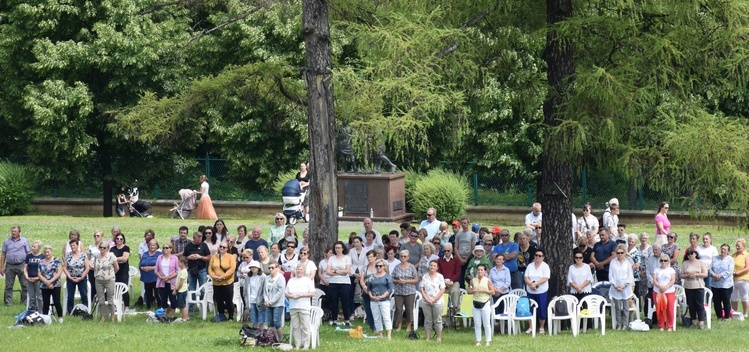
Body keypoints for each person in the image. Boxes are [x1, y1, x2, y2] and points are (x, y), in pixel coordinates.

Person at [285, 263, 316, 349]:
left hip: (304, 306)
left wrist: (302, 295)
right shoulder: (291, 281)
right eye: (297, 269)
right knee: (295, 326)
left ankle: (306, 344)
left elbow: (313, 293)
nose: (299, 271)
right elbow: (286, 293)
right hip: (293, 306)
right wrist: (292, 296)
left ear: (304, 271)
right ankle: (298, 344)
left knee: (305, 326)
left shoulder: (307, 280)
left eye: (301, 269)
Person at [2, 226, 30, 306]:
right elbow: (3, 254)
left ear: (19, 232)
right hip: (10, 265)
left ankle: (24, 302)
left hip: (22, 264)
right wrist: (1, 267)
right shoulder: (7, 241)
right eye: (12, 231)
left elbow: (28, 254)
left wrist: (28, 266)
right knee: (8, 286)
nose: (13, 233)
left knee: (25, 284)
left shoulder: (24, 241)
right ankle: (8, 303)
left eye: (15, 231)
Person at [326, 241, 353, 326]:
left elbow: (347, 271)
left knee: (345, 301)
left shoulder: (347, 258)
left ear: (343, 248)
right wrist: (339, 272)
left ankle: (347, 320)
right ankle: (334, 320)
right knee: (334, 302)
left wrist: (336, 271)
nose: (337, 249)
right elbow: (328, 272)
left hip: (345, 282)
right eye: (336, 248)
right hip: (333, 283)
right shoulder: (331, 258)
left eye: (339, 248)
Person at [209, 241, 237, 320]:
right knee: (219, 300)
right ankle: (221, 315)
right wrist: (214, 276)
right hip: (216, 282)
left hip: (227, 282)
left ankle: (231, 316)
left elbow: (232, 269)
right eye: (220, 246)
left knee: (228, 300)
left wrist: (223, 277)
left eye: (224, 247)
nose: (221, 248)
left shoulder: (230, 257)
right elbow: (210, 268)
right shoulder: (214, 257)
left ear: (227, 249)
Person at [468, 264, 495, 346]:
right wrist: (473, 291)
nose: (480, 271)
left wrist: (484, 290)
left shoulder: (487, 280)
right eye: (478, 269)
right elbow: (469, 290)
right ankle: (478, 341)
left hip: (485, 303)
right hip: (476, 302)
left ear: (485, 271)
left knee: (486, 323)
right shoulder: (473, 280)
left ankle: (488, 341)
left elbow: (493, 291)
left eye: (481, 270)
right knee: (477, 323)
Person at [681, 248, 708, 329]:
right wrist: (688, 275)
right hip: (688, 286)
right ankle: (693, 321)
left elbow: (705, 274)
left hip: (699, 286)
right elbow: (681, 275)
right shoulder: (685, 263)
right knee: (691, 305)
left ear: (695, 254)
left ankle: (701, 322)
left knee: (699, 305)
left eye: (691, 254)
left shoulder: (701, 262)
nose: (690, 256)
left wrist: (697, 275)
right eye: (688, 254)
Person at [392, 249, 418, 331]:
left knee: (409, 309)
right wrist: (398, 281)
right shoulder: (396, 267)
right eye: (401, 256)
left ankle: (408, 326)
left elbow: (416, 279)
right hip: (398, 291)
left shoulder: (412, 267)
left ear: (408, 257)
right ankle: (399, 325)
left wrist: (407, 281)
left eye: (405, 256)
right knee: (398, 309)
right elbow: (392, 279)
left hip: (409, 291)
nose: (403, 258)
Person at [525, 249, 550, 334]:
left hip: (541, 291)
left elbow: (545, 278)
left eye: (539, 256)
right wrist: (530, 284)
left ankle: (541, 327)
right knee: (530, 308)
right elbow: (526, 277)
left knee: (541, 309)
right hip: (530, 290)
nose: (537, 257)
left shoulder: (545, 266)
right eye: (536, 255)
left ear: (543, 257)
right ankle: (531, 327)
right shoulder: (530, 266)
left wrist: (535, 283)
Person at [609, 244, 634, 330]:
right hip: (615, 288)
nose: (620, 254)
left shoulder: (627, 263)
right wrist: (615, 285)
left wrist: (624, 285)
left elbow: (630, 276)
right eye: (618, 253)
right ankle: (619, 324)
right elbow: (611, 275)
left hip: (625, 288)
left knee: (626, 307)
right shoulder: (613, 262)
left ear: (625, 253)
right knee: (617, 308)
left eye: (621, 253)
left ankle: (625, 324)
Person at [367, 259, 394, 339]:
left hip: (384, 300)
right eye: (377, 266)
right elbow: (368, 288)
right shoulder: (371, 276)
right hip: (373, 300)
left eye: (380, 266)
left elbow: (390, 289)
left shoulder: (387, 276)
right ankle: (380, 334)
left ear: (384, 267)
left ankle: (389, 335)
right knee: (376, 317)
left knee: (386, 317)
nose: (378, 267)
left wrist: (383, 296)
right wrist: (371, 296)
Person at [419, 260, 445, 342]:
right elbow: (421, 288)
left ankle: (438, 337)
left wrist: (434, 299)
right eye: (431, 265)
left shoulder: (440, 277)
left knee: (437, 319)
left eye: (434, 266)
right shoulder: (425, 276)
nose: (432, 267)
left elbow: (442, 289)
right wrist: (426, 298)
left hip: (438, 302)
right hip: (426, 301)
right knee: (427, 319)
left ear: (437, 267)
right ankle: (427, 337)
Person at [184, 231, 211, 307]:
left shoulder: (204, 245)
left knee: (203, 289)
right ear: (193, 238)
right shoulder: (188, 246)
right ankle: (191, 307)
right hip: (192, 270)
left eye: (201, 238)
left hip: (202, 269)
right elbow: (183, 257)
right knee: (192, 289)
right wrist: (188, 258)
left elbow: (209, 257)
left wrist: (200, 257)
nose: (199, 240)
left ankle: (204, 306)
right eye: (198, 238)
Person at [63, 239, 90, 314]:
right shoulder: (68, 255)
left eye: (74, 245)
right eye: (71, 246)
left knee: (84, 295)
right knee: (70, 296)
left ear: (77, 246)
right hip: (71, 277)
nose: (72, 247)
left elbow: (87, 267)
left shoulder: (83, 255)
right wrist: (69, 277)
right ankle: (70, 311)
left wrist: (82, 277)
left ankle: (85, 311)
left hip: (81, 277)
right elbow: (65, 267)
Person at [38, 245, 63, 320]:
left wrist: (51, 281)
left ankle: (60, 317)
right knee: (46, 303)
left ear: (51, 252)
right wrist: (46, 282)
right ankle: (45, 318)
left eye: (48, 252)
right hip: (44, 285)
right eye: (45, 252)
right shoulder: (41, 262)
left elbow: (59, 272)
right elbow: (39, 274)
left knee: (57, 302)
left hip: (55, 284)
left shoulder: (57, 260)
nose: (47, 254)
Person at [653, 253, 676, 331]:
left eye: (665, 261)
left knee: (670, 308)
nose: (663, 262)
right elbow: (655, 280)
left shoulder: (671, 270)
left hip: (669, 291)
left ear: (668, 261)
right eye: (662, 260)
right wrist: (660, 287)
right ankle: (661, 325)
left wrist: (666, 287)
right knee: (660, 308)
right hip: (658, 291)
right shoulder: (656, 269)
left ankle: (670, 325)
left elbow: (673, 280)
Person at [710, 244, 734, 321]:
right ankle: (719, 316)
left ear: (728, 251)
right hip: (715, 284)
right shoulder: (715, 258)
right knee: (716, 301)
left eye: (725, 249)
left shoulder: (730, 259)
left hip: (726, 284)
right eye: (722, 249)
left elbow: (729, 271)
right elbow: (710, 268)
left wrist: (720, 276)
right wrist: (714, 275)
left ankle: (727, 317)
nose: (723, 251)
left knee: (726, 300)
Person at [155, 242, 179, 317]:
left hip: (172, 282)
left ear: (171, 249)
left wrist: (169, 277)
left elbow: (177, 271)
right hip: (162, 281)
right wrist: (161, 277)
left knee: (173, 299)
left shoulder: (174, 258)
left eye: (167, 248)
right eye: (164, 248)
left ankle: (172, 315)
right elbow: (156, 270)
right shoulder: (160, 257)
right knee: (163, 299)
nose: (165, 249)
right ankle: (164, 315)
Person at [264, 263, 286, 341]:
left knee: (277, 323)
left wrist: (271, 302)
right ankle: (274, 340)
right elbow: (265, 291)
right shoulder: (267, 278)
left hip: (278, 304)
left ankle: (280, 340)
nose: (270, 269)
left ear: (277, 268)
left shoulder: (281, 278)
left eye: (272, 268)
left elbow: (280, 292)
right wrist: (266, 300)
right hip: (268, 303)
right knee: (271, 324)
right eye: (269, 268)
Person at [454, 217, 478, 289]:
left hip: (469, 258)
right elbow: (455, 247)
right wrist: (460, 259)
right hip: (460, 258)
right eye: (462, 223)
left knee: (469, 277)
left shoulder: (473, 235)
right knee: (460, 278)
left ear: (468, 224)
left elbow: (473, 248)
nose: (463, 224)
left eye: (465, 223)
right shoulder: (458, 235)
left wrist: (466, 259)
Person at [438, 243, 461, 311]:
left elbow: (458, 272)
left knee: (455, 292)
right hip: (443, 282)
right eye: (444, 251)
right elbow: (439, 273)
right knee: (443, 297)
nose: (446, 252)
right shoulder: (440, 260)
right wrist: (444, 282)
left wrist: (451, 281)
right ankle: (444, 318)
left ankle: (456, 313)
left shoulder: (456, 260)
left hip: (454, 281)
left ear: (451, 250)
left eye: (448, 251)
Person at [139, 240, 161, 309]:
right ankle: (149, 307)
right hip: (146, 276)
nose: (152, 246)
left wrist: (151, 268)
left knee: (157, 293)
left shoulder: (159, 254)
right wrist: (142, 268)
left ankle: (160, 307)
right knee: (148, 292)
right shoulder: (145, 254)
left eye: (154, 245)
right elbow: (140, 263)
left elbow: (160, 265)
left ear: (157, 246)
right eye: (151, 245)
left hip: (155, 276)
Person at [111, 232, 131, 310]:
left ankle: (127, 306)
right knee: (114, 288)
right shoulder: (112, 249)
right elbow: (111, 260)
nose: (119, 240)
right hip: (115, 271)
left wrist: (115, 259)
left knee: (124, 288)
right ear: (115, 240)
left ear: (123, 240)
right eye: (117, 238)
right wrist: (119, 259)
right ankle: (115, 305)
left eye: (121, 239)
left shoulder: (126, 248)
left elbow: (125, 259)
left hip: (123, 271)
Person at [359, 250, 377, 331]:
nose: (369, 259)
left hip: (376, 291)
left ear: (375, 257)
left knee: (376, 309)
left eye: (371, 257)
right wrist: (364, 287)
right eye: (368, 257)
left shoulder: (379, 266)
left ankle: (377, 326)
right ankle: (371, 326)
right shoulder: (365, 268)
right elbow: (361, 279)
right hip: (366, 291)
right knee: (368, 309)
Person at [24, 240, 44, 310]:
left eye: (34, 247)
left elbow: (44, 269)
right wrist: (27, 276)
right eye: (32, 246)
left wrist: (38, 277)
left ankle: (41, 311)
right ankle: (32, 310)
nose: (32, 248)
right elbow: (25, 268)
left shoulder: (42, 256)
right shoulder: (29, 256)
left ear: (39, 248)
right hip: (29, 279)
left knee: (39, 297)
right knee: (31, 296)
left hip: (39, 279)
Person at [245, 261, 267, 328]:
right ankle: (255, 334)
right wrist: (246, 300)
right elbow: (245, 290)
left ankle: (262, 334)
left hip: (260, 301)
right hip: (251, 300)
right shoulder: (248, 277)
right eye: (252, 267)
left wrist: (264, 299)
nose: (253, 269)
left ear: (258, 268)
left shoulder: (263, 277)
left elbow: (265, 289)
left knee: (261, 319)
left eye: (255, 267)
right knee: (254, 319)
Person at [732, 238, 749, 319]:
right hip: (733, 279)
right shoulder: (734, 255)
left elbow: (747, 267)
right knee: (733, 297)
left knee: (744, 296)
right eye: (736, 246)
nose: (737, 247)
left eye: (738, 246)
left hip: (743, 279)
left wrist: (737, 273)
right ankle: (735, 312)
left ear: (743, 246)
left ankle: (745, 313)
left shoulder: (746, 255)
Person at [317, 247, 333, 311]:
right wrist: (324, 281)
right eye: (330, 253)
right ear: (326, 254)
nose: (331, 254)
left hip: (332, 282)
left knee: (332, 298)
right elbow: (320, 273)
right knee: (324, 298)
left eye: (333, 253)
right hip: (323, 283)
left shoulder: (334, 262)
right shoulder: (322, 262)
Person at [174, 256, 189, 321]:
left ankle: (185, 317)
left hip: (181, 290)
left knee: (182, 305)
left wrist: (176, 290)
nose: (178, 263)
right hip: (181, 290)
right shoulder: (181, 271)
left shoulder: (183, 272)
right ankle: (185, 317)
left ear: (183, 263)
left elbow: (181, 283)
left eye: (179, 262)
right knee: (182, 304)